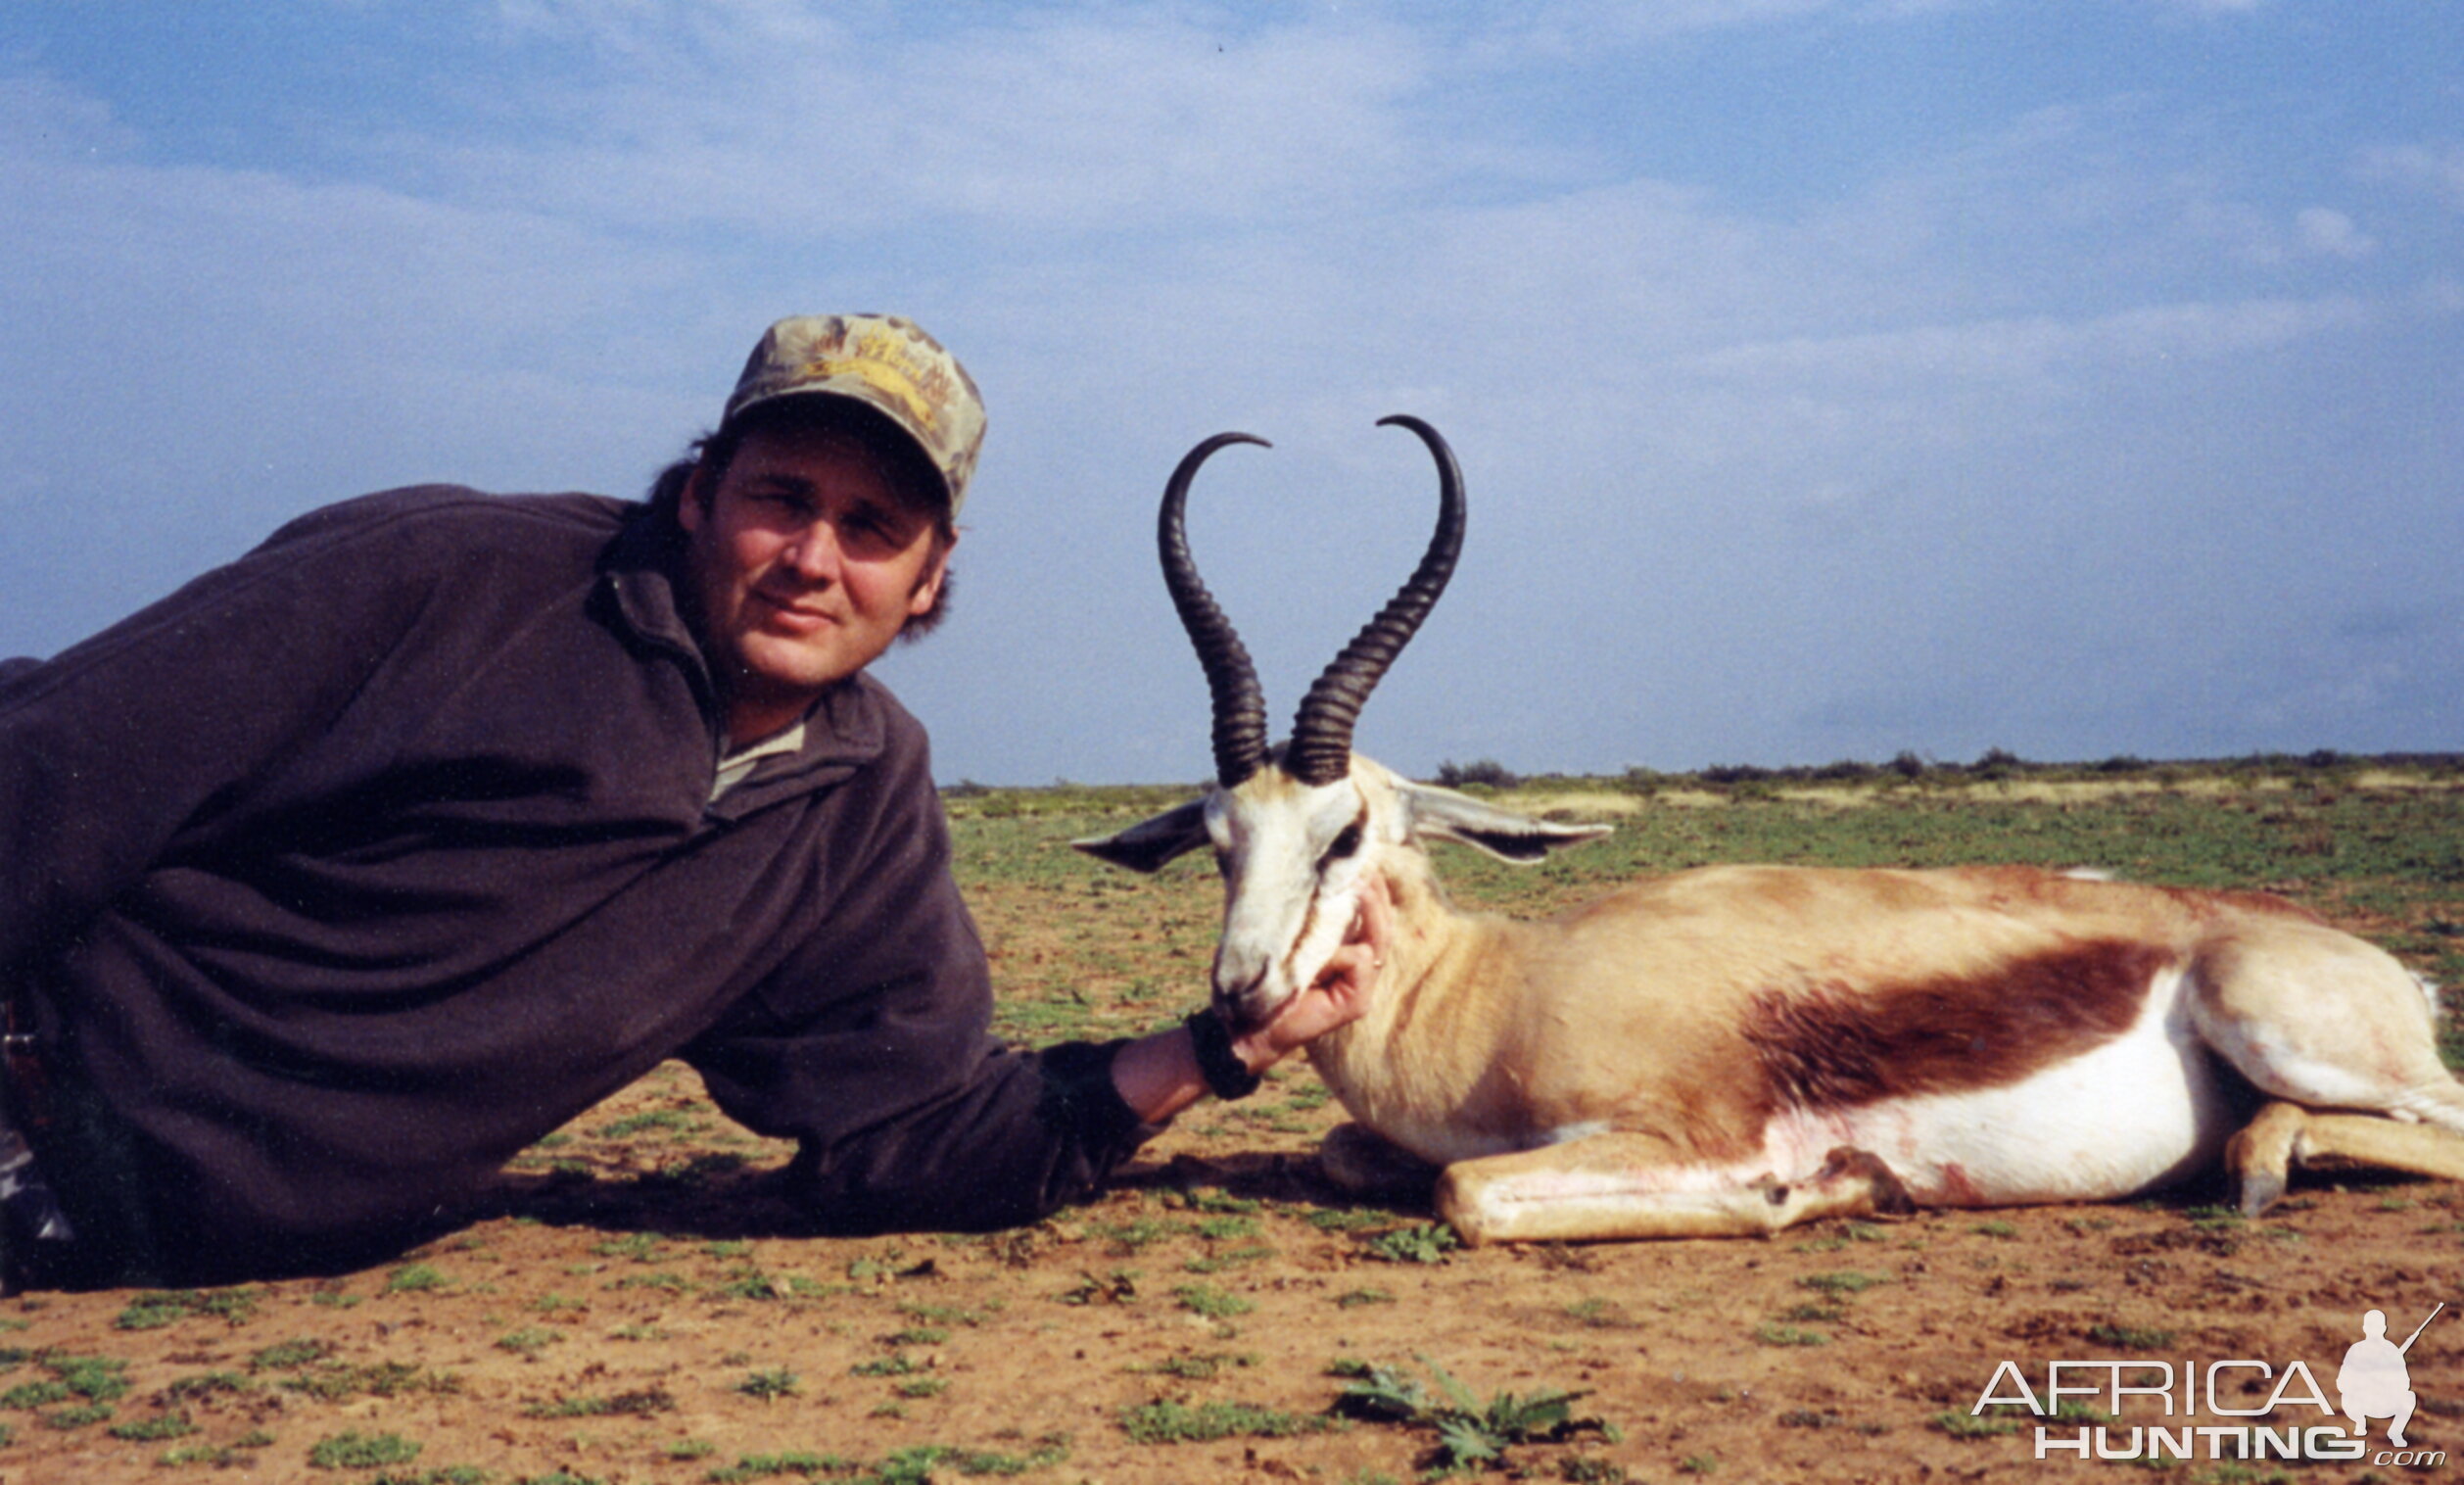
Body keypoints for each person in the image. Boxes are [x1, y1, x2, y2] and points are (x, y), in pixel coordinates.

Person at [0, 313, 1389, 1290]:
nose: (811, 559)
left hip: (139, 1237)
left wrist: (1220, 1052)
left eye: (872, 529)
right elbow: (48, 771)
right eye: (781, 497)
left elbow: (906, 1138)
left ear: (931, 576)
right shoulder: (450, 574)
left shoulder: (861, 795)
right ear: (698, 492)